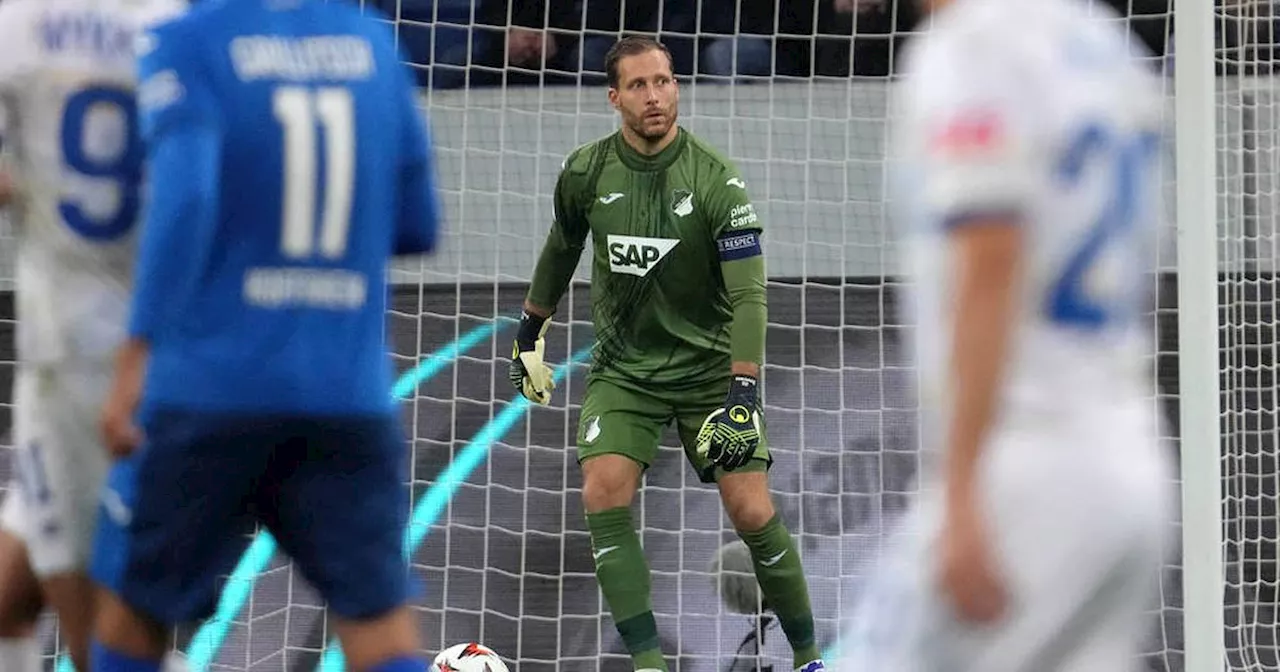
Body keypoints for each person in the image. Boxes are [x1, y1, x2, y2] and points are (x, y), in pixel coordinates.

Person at [87, 0, 441, 670]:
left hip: (208, 392)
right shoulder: (372, 43)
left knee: (135, 610)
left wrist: (136, 353)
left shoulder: (188, 41)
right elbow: (419, 224)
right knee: (379, 626)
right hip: (347, 395)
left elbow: (186, 198)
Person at [837, 0, 1174, 669]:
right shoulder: (1110, 49)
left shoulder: (973, 50)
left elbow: (991, 262)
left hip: (1025, 472)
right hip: (1131, 468)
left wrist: (961, 490)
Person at [509, 35, 825, 672]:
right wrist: (528, 334)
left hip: (711, 373)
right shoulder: (585, 172)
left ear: (677, 86)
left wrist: (742, 393)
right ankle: (650, 665)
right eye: (638, 85)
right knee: (602, 493)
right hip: (626, 373)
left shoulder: (715, 180)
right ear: (614, 97)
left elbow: (751, 297)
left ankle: (812, 658)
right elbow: (561, 249)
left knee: (753, 509)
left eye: (664, 81)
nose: (654, 96)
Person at [0, 0, 186, 669]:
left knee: (100, 646)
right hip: (159, 348)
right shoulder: (180, 19)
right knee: (8, 602)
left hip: (71, 362)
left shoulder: (22, 21)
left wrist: (33, 185)